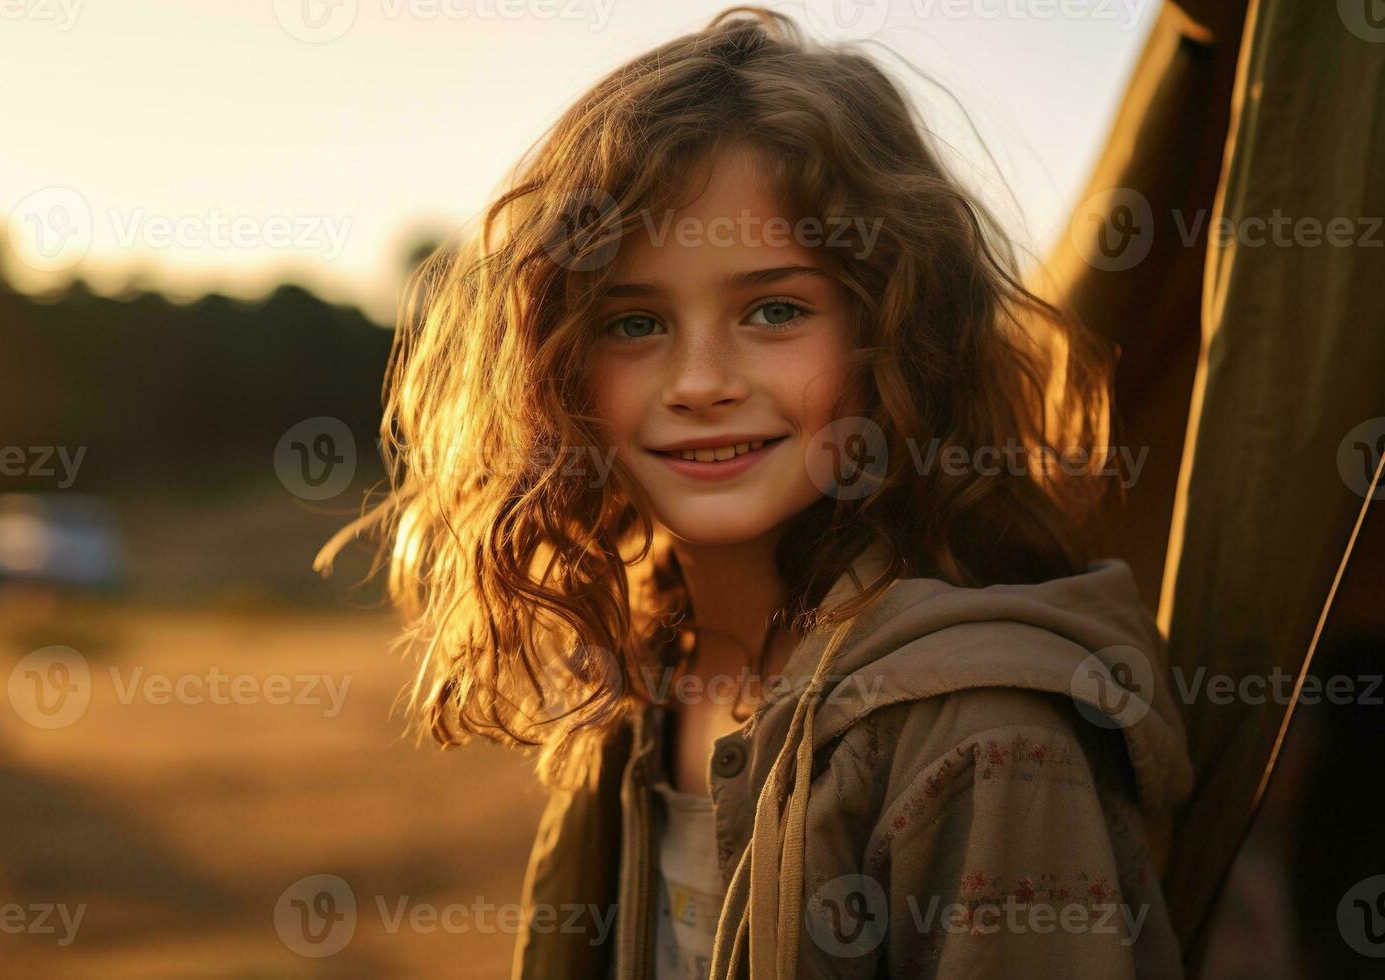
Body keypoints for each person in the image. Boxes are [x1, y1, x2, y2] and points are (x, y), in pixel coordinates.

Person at [320, 7, 1193, 977]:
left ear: (896, 334)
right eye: (635, 321)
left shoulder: (984, 740)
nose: (700, 380)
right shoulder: (643, 686)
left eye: (775, 309)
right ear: (555, 368)